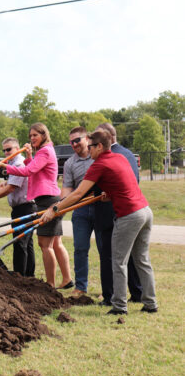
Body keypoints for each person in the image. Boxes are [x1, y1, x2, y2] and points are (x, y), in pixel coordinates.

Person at [40, 129, 157, 315]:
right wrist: (110, 195)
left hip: (129, 216)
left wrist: (54, 209)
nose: (89, 149)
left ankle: (119, 306)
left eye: (91, 146)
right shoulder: (119, 158)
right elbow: (124, 184)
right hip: (145, 211)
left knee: (118, 261)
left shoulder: (99, 164)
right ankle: (151, 303)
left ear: (99, 146)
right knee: (142, 259)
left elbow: (78, 193)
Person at [0, 123, 71, 288]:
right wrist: (28, 156)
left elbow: (28, 172)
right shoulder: (45, 151)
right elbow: (33, 168)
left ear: (43, 134)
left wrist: (4, 166)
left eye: (35, 135)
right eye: (30, 136)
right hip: (48, 198)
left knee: (45, 244)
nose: (32, 138)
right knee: (55, 243)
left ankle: (50, 283)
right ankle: (67, 280)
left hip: (48, 200)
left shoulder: (45, 151)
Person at [93, 122, 143, 306]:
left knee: (109, 255)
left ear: (106, 138)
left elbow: (94, 183)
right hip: (131, 208)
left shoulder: (109, 156)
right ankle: (138, 293)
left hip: (110, 211)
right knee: (131, 255)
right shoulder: (128, 153)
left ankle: (110, 296)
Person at [0, 137, 35, 276]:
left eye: (9, 149)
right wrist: (5, 184)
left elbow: (12, 188)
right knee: (27, 244)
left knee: (20, 243)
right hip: (22, 207)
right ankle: (29, 275)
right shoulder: (14, 164)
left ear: (17, 149)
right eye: (4, 150)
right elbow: (14, 184)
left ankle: (19, 276)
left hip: (25, 207)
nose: (6, 152)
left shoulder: (19, 164)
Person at [61, 127, 94, 297]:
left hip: (101, 207)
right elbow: (67, 188)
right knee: (80, 248)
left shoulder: (97, 157)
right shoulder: (69, 163)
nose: (74, 144)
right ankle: (80, 287)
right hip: (80, 209)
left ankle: (109, 290)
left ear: (87, 139)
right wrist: (60, 205)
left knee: (106, 249)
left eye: (77, 140)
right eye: (71, 142)